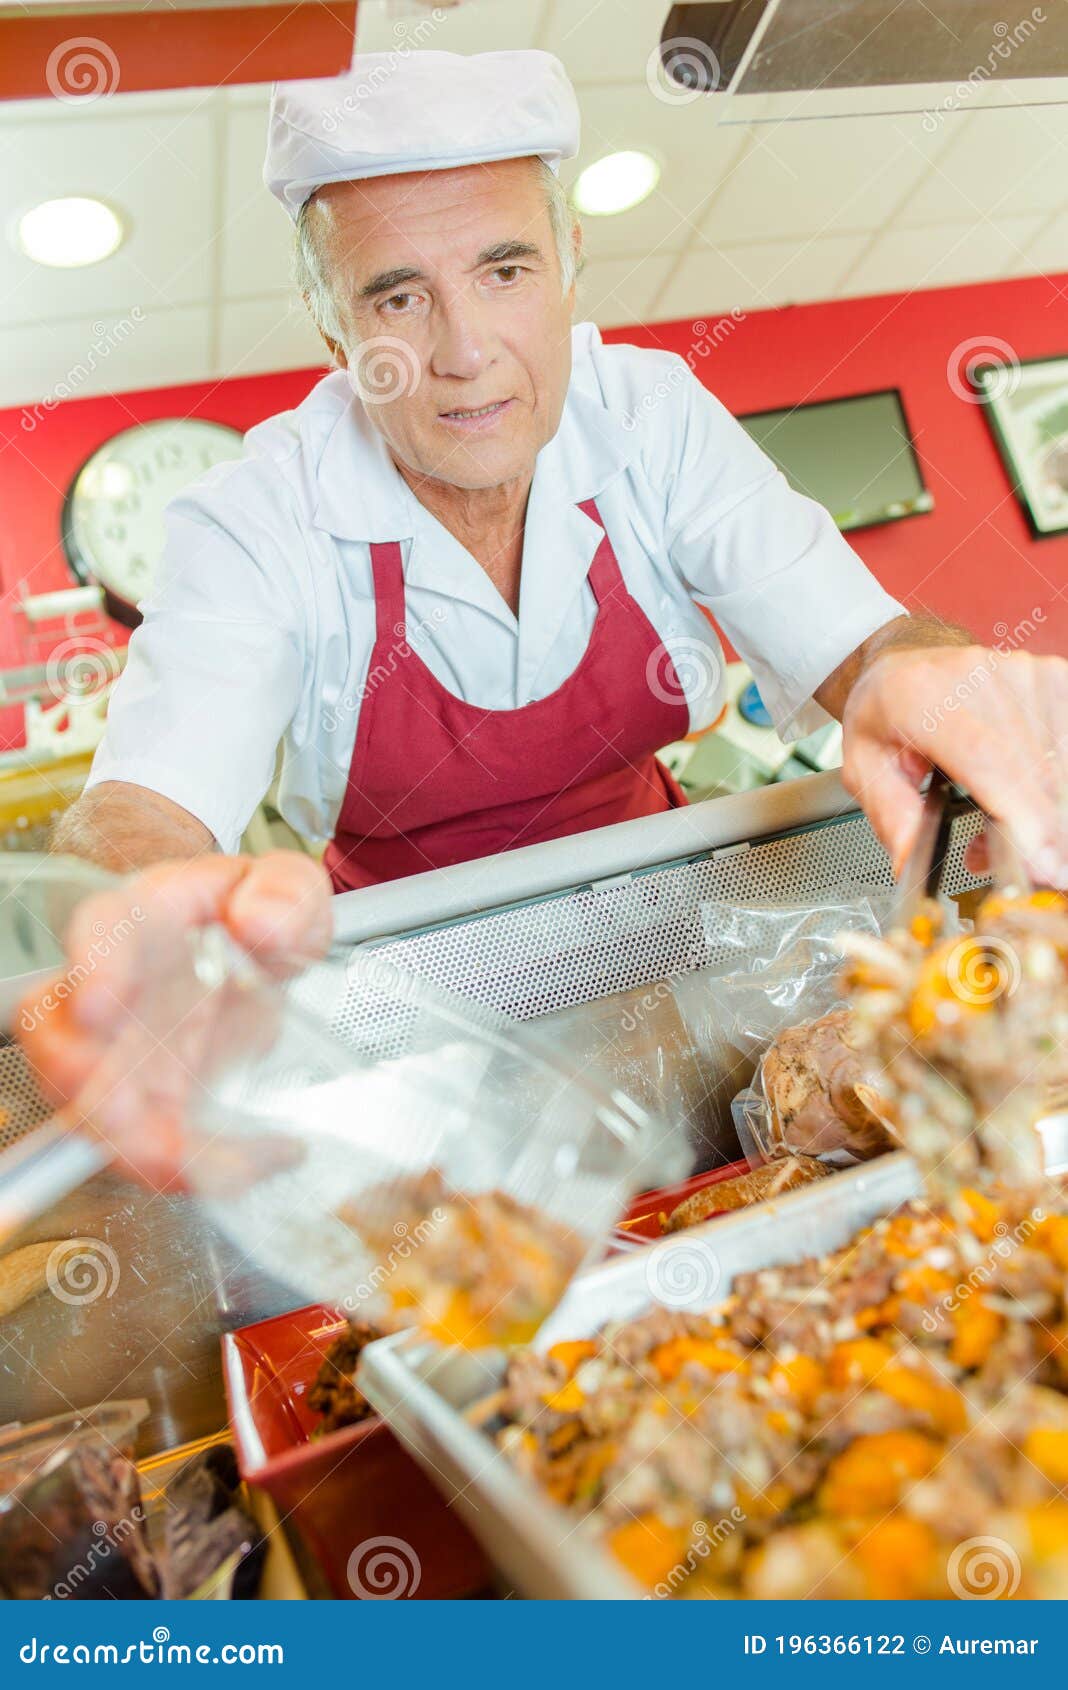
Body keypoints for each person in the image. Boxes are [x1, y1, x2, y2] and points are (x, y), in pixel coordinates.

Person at [50, 49, 1068, 896]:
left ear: (570, 265)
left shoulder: (649, 415)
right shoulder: (258, 514)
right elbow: (147, 806)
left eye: (505, 272)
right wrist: (140, 924)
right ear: (333, 332)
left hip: (670, 896)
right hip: (403, 970)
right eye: (398, 298)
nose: (465, 351)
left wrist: (931, 681)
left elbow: (866, 645)